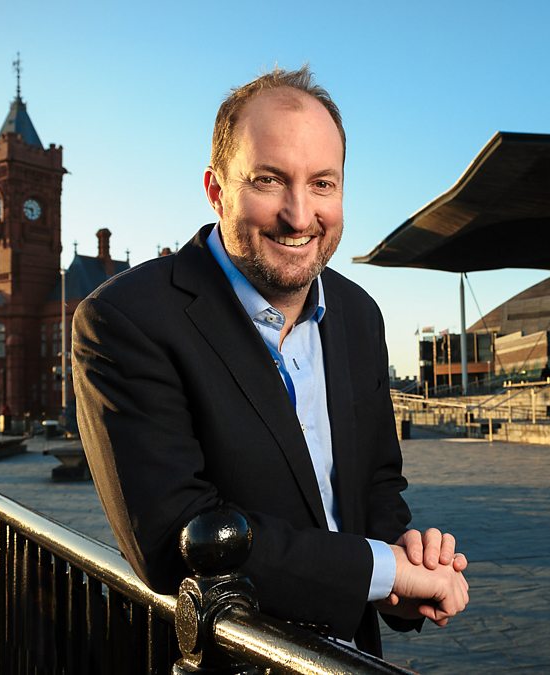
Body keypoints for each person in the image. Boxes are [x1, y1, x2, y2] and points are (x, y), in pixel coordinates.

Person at [72, 66, 468, 657]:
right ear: (216, 190)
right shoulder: (125, 319)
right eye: (269, 180)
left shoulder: (360, 314)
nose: (300, 215)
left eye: (323, 184)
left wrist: (405, 566)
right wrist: (381, 569)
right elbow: (177, 539)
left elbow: (376, 483)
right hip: (223, 660)